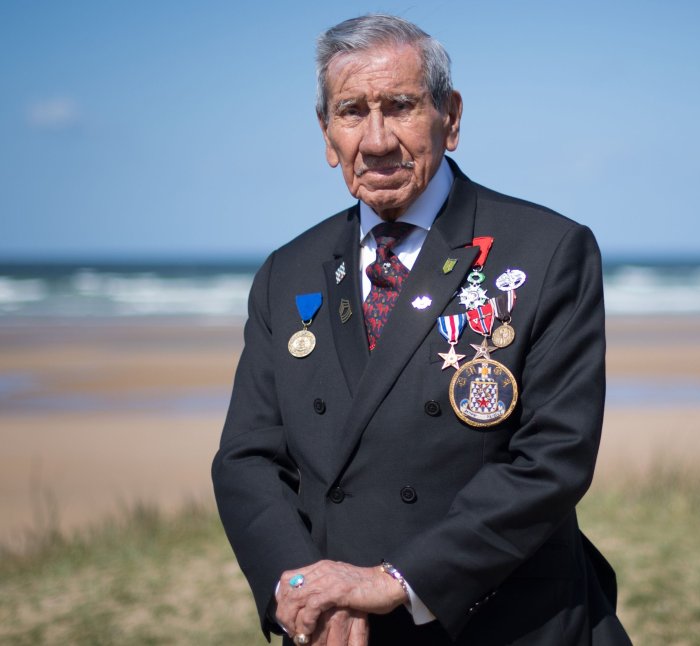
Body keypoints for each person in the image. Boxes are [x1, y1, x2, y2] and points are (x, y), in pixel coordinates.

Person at [211, 13, 631, 646]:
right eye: (352, 112)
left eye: (400, 106)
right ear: (326, 135)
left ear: (450, 118)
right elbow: (247, 457)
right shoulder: (286, 272)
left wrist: (398, 580)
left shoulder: (547, 251)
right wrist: (300, 589)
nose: (377, 140)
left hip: (505, 624)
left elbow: (554, 458)